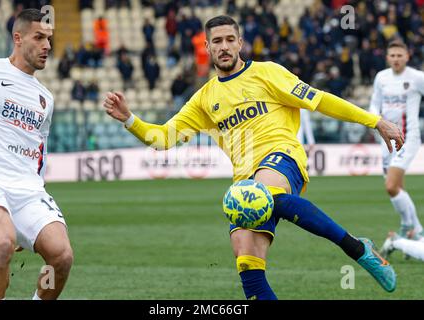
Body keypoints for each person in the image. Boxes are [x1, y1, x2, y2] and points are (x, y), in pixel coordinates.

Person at [103, 15, 403, 299]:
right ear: (206, 47)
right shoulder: (204, 99)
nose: (223, 46)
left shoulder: (268, 73)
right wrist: (130, 119)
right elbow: (163, 139)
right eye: (217, 41)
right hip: (244, 180)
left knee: (267, 192)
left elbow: (319, 100)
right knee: (245, 257)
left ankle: (357, 249)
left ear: (240, 43)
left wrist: (374, 121)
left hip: (282, 157)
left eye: (229, 40)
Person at [0, 9, 73, 300]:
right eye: (39, 37)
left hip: (28, 189)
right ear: (17, 39)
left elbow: (38, 152)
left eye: (49, 39)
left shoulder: (46, 98)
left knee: (62, 257)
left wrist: (37, 189)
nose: (47, 46)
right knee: (2, 244)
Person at [369, 40, 424, 240]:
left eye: (400, 55)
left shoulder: (417, 78)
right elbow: (374, 104)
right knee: (396, 188)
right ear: (387, 58)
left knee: (391, 186)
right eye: (392, 55)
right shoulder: (381, 78)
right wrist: (376, 120)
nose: (396, 59)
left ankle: (408, 225)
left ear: (407, 57)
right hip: (386, 141)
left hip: (408, 138)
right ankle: (416, 232)